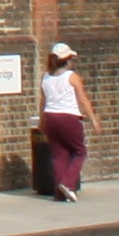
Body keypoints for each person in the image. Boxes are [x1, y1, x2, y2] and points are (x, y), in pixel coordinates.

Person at [39, 41, 91, 201]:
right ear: (67, 61)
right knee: (79, 151)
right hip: (69, 117)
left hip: (50, 116)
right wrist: (94, 119)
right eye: (71, 59)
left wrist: (42, 121)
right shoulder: (71, 77)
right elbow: (83, 100)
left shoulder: (45, 77)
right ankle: (68, 183)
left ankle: (60, 193)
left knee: (59, 154)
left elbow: (43, 102)